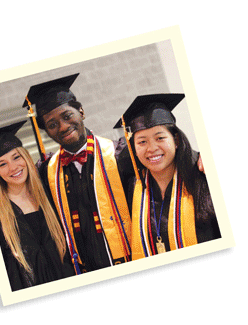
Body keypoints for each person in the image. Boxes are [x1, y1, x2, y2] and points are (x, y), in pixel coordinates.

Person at [25, 73, 132, 274]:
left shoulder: (121, 154)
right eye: (52, 124)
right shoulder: (46, 171)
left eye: (67, 116)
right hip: (84, 271)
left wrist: (197, 158)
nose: (63, 127)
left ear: (81, 111)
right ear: (46, 131)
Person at [114, 94, 219, 260]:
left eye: (160, 138)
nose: (152, 148)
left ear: (176, 140)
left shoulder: (204, 177)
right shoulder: (132, 187)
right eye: (142, 142)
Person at [0, 120, 73, 290]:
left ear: (26, 157)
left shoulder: (50, 193)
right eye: (2, 164)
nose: (13, 167)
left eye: (16, 157)